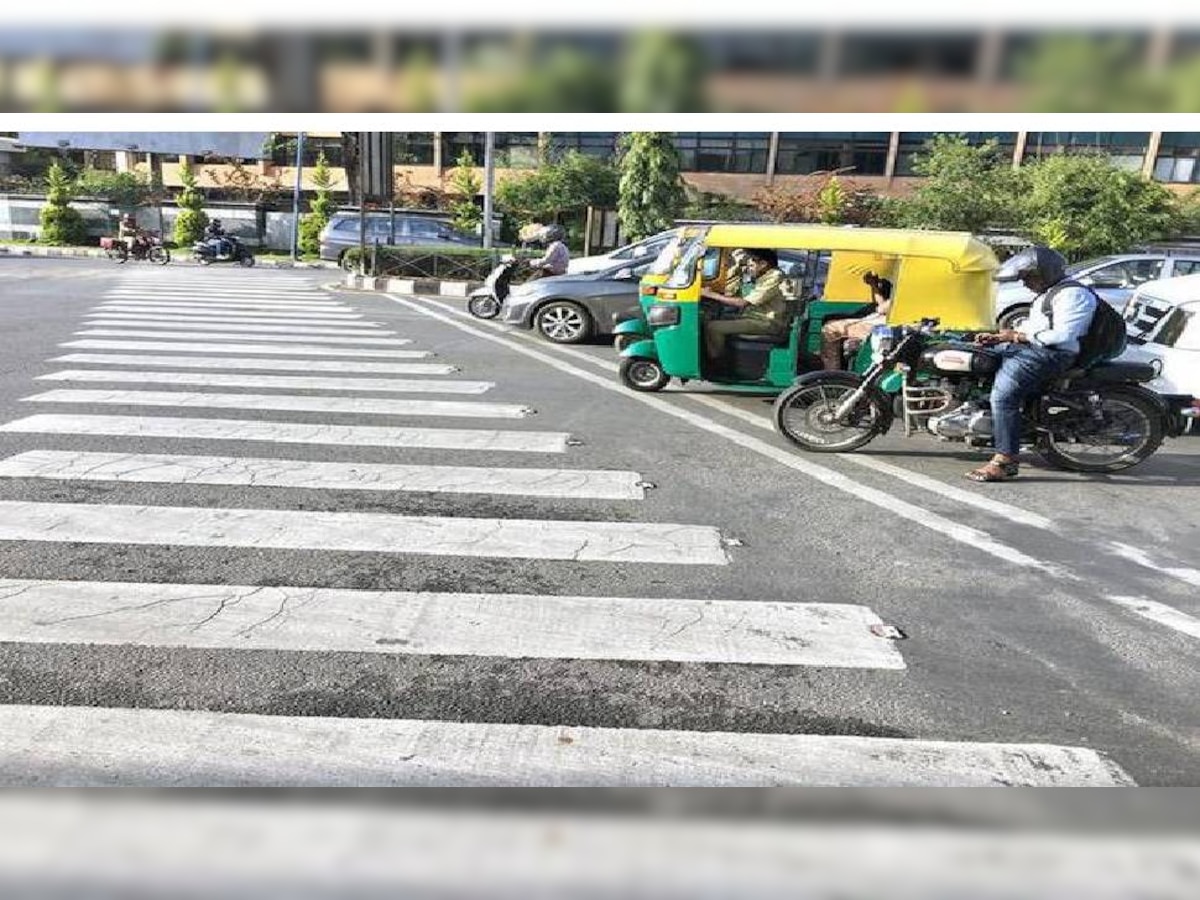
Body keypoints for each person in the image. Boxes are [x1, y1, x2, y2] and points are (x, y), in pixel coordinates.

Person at [965, 244, 1097, 483]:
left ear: (1045, 273)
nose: (1025, 283)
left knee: (1003, 398)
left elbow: (1063, 335)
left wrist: (1016, 337)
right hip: (1033, 349)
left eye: (1029, 277)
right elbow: (1036, 328)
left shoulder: (1073, 294)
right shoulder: (1049, 293)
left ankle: (1005, 460)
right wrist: (998, 336)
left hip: (1052, 355)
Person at [699, 247, 788, 369]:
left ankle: (718, 364)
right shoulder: (762, 275)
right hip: (755, 317)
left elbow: (743, 303)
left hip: (766, 322)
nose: (748, 266)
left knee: (713, 327)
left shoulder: (774, 277)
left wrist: (710, 295)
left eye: (752, 264)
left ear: (763, 264)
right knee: (716, 318)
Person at [819, 270, 894, 370]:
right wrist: (874, 285)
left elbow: (883, 308)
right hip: (881, 320)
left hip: (886, 326)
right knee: (830, 324)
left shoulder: (908, 289)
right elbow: (882, 305)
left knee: (830, 329)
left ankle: (832, 372)